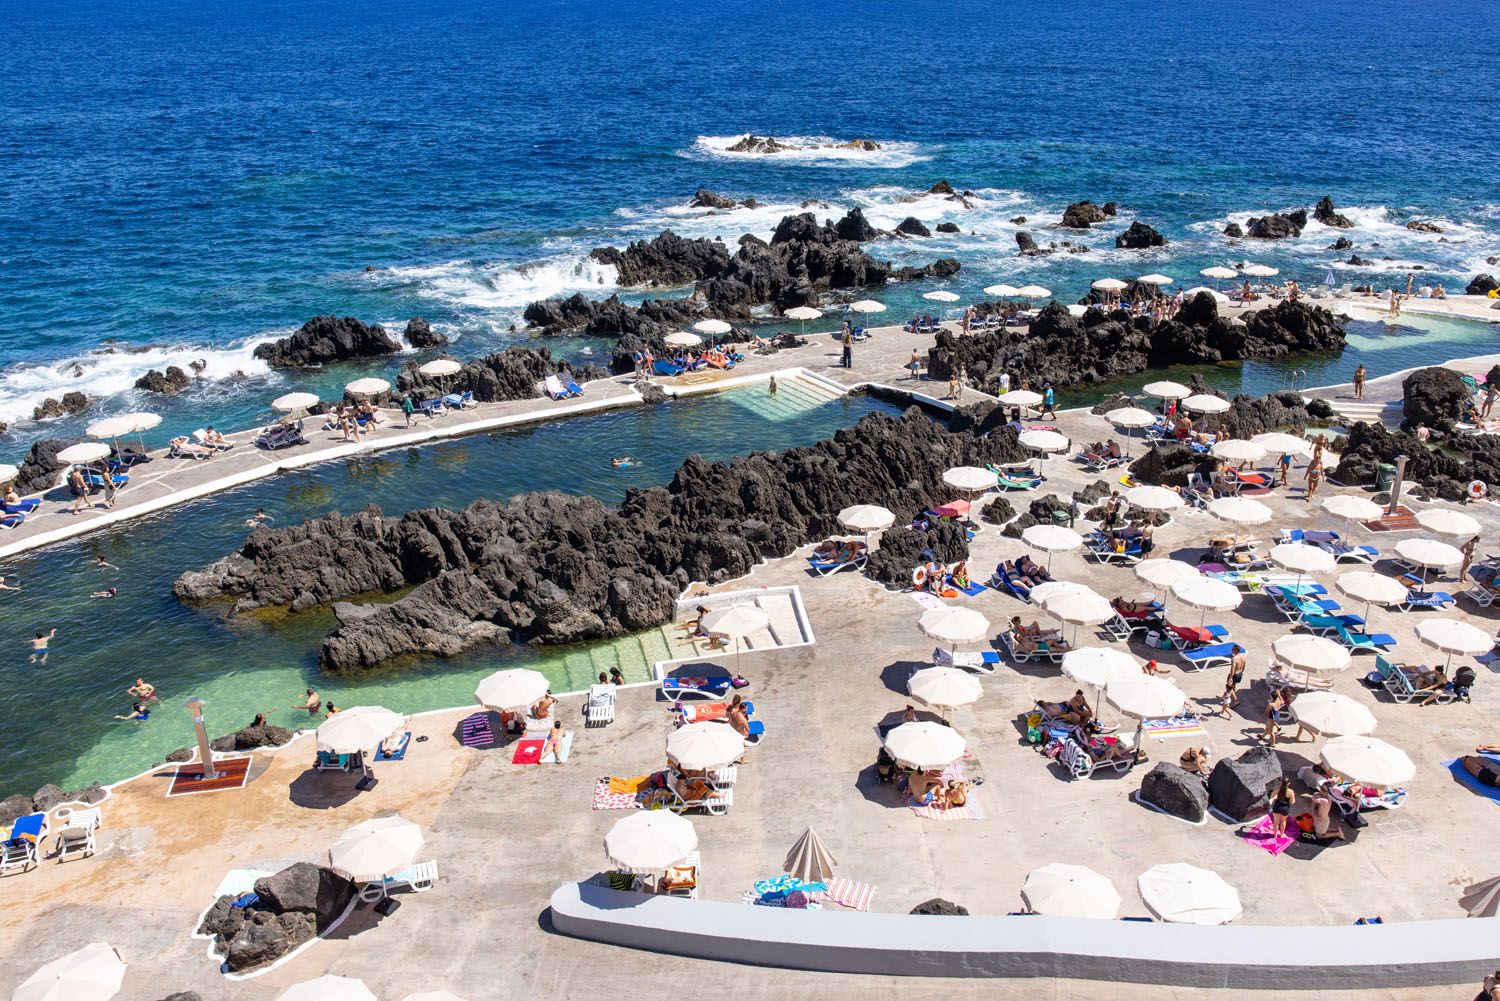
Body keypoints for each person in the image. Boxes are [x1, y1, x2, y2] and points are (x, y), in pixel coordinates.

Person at [1222, 645, 1246, 710]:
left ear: (1236, 650)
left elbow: (1232, 669)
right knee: (1234, 685)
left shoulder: (1234, 659)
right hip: (1239, 673)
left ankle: (1236, 700)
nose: (1232, 650)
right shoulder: (1242, 656)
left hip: (1234, 674)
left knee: (1229, 687)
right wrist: (1241, 672)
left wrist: (1230, 678)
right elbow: (1244, 665)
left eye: (1233, 649)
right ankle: (1232, 697)